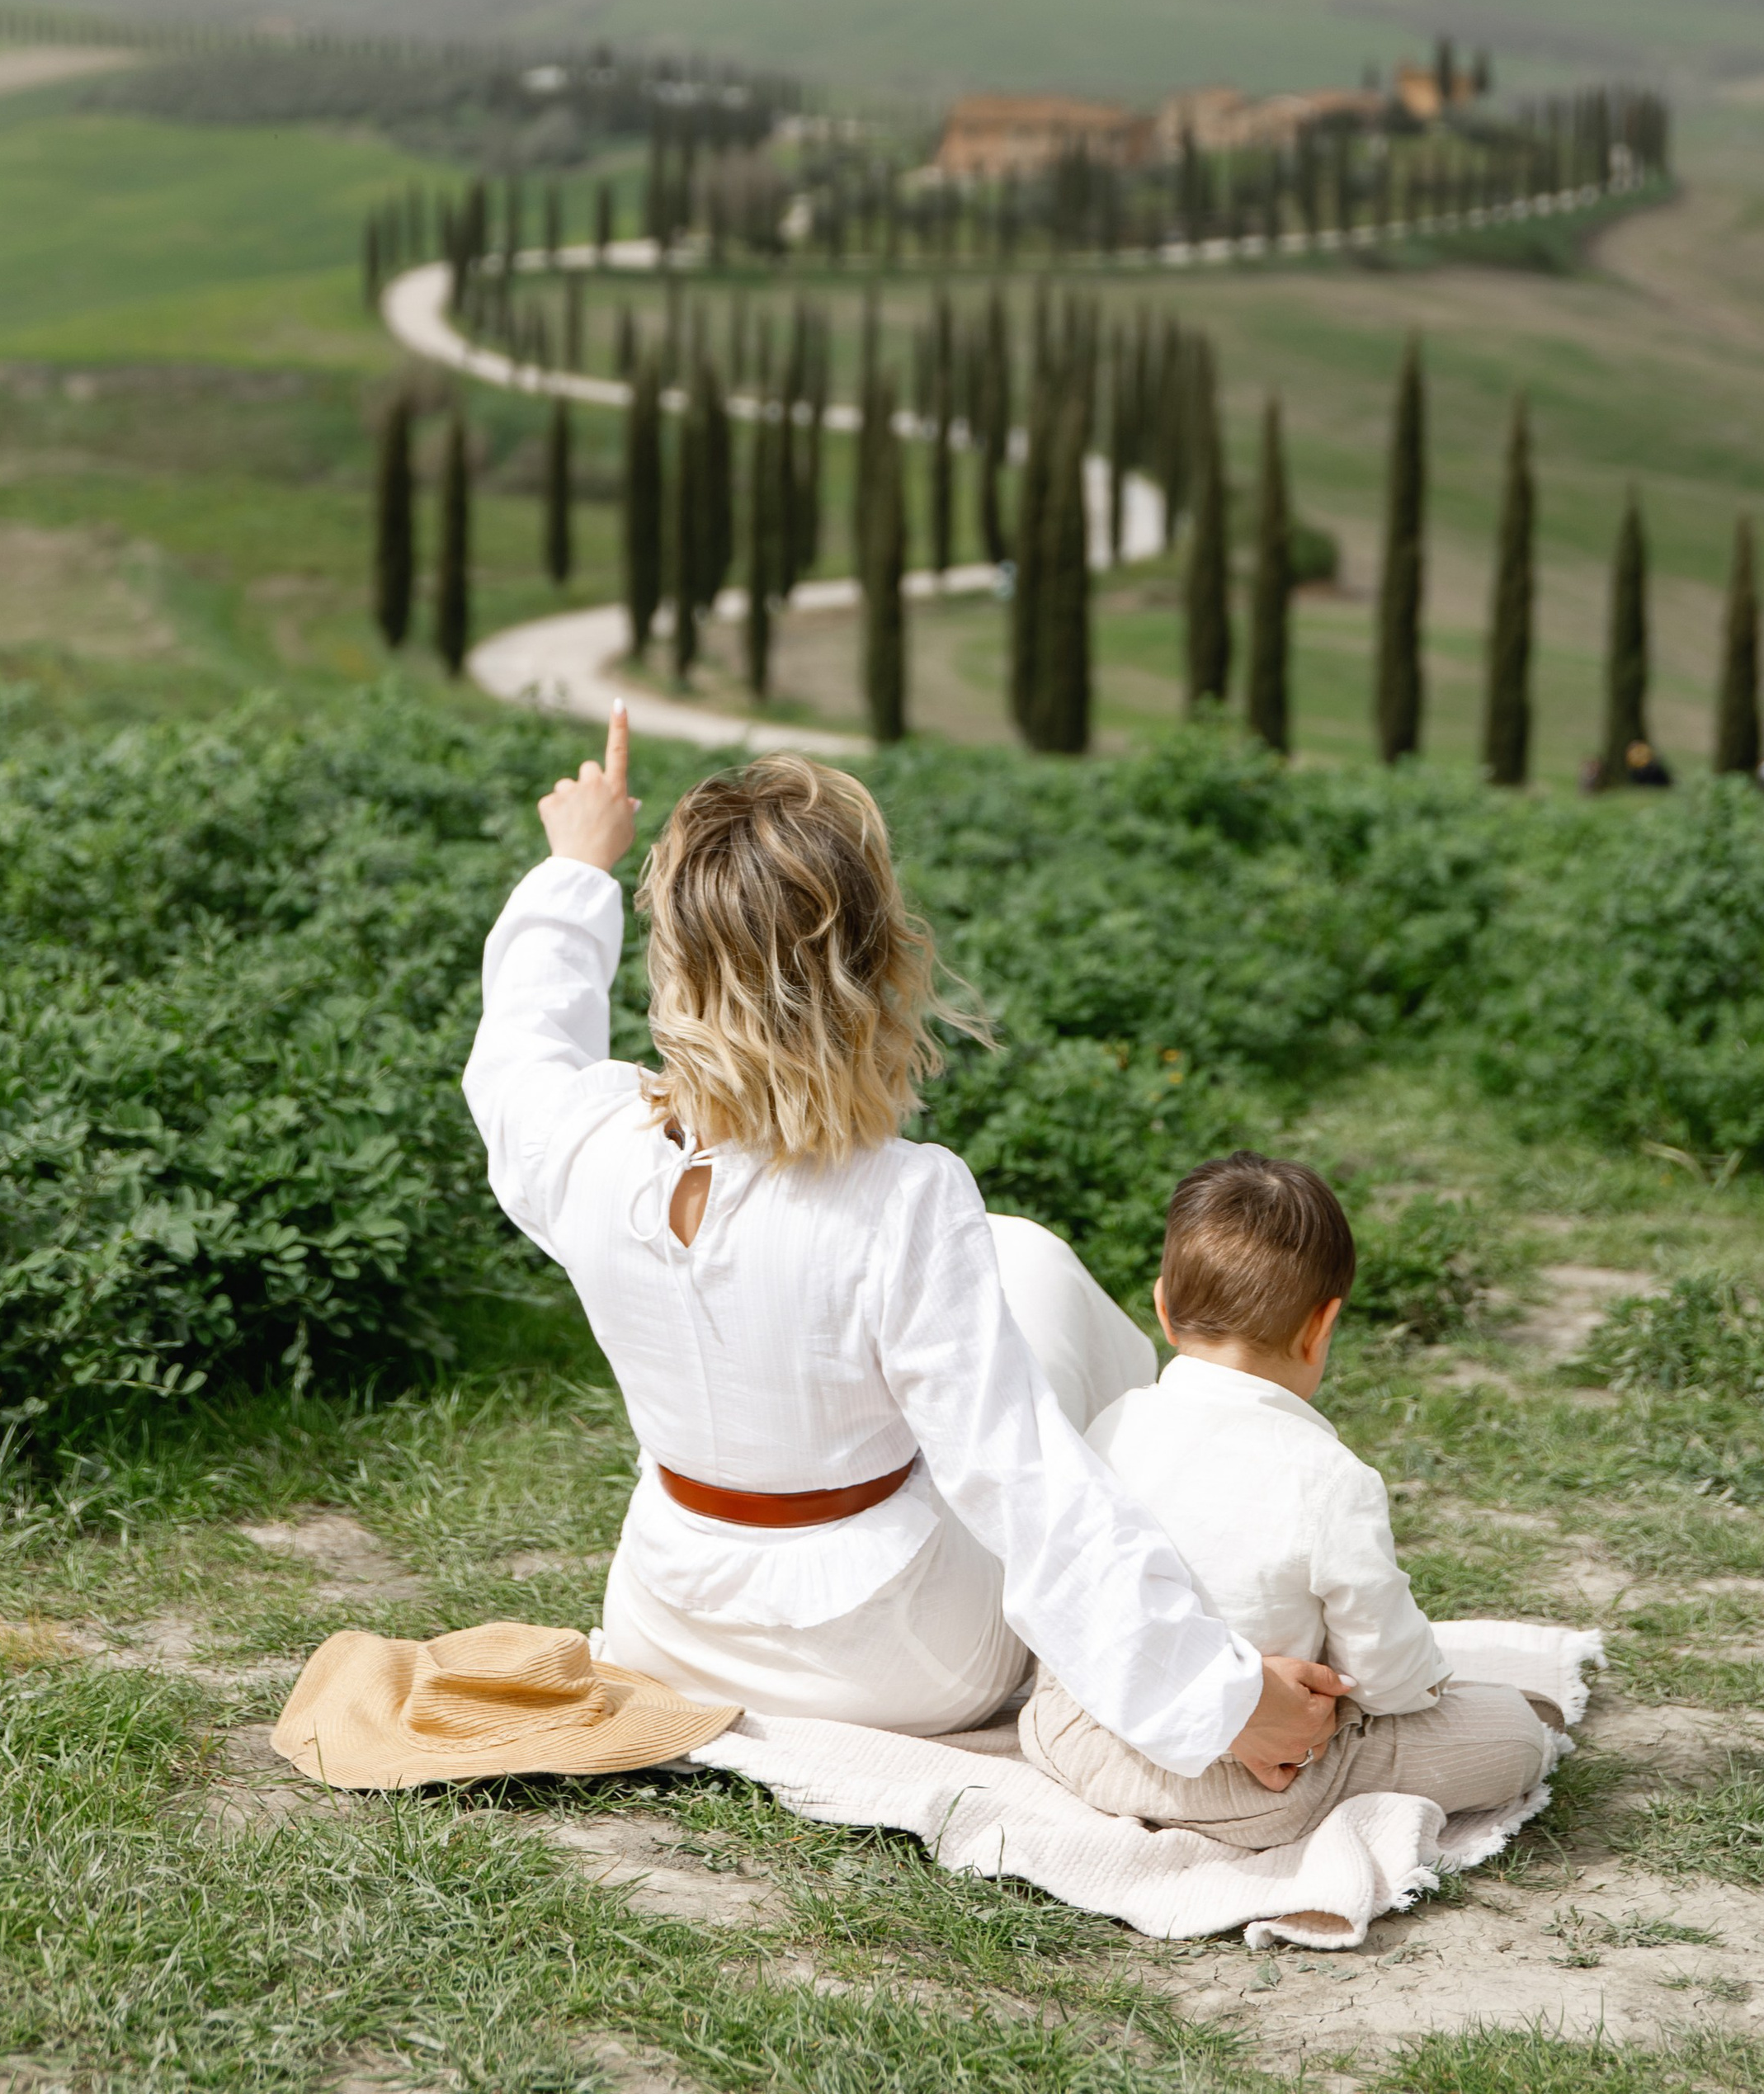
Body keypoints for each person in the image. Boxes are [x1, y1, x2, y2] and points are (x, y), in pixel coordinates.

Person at [463, 712, 1343, 1786]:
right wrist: (1227, 1703)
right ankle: (1207, 1550)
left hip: (666, 1625)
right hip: (893, 1661)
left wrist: (572, 866)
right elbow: (1029, 1488)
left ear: (673, 960)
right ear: (871, 962)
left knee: (1005, 1277)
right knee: (1025, 1267)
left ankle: (1174, 1565)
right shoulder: (903, 1201)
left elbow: (518, 1045)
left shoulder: (585, 1144)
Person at [1021, 1153, 1559, 1845]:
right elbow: (1385, 1675)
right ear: (1321, 1326)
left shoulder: (1111, 1423)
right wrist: (1423, 1687)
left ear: (1162, 1307)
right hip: (1248, 1780)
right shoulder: (1330, 1479)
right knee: (1511, 1733)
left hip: (1077, 1735)